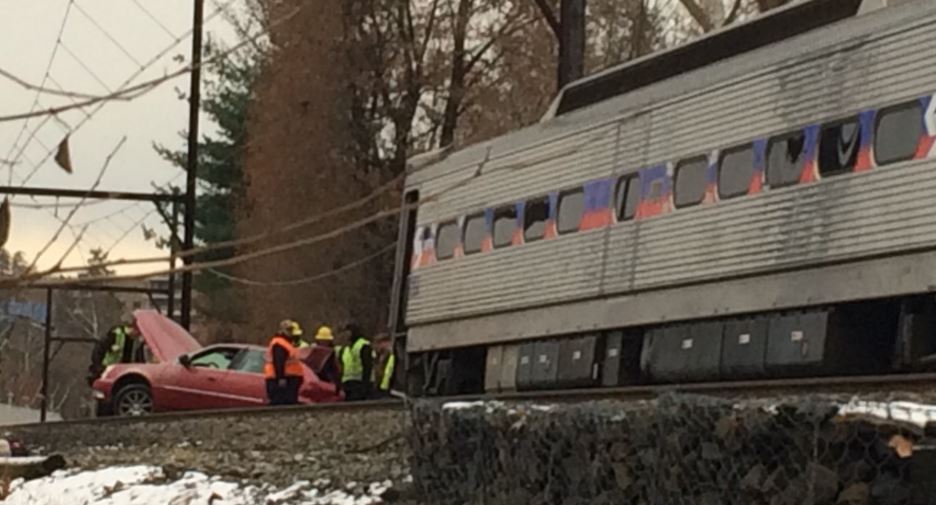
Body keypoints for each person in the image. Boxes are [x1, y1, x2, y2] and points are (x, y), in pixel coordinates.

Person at [264, 319, 305, 405]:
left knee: (286, 404)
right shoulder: (280, 344)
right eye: (288, 330)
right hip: (281, 379)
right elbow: (279, 362)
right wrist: (281, 378)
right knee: (280, 404)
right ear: (282, 331)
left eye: (291, 330)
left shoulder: (287, 343)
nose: (290, 332)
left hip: (288, 379)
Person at [339, 322, 374, 401]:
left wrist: (365, 386)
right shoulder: (346, 348)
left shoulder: (363, 345)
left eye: (347, 332)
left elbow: (367, 367)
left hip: (360, 384)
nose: (345, 335)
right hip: (347, 384)